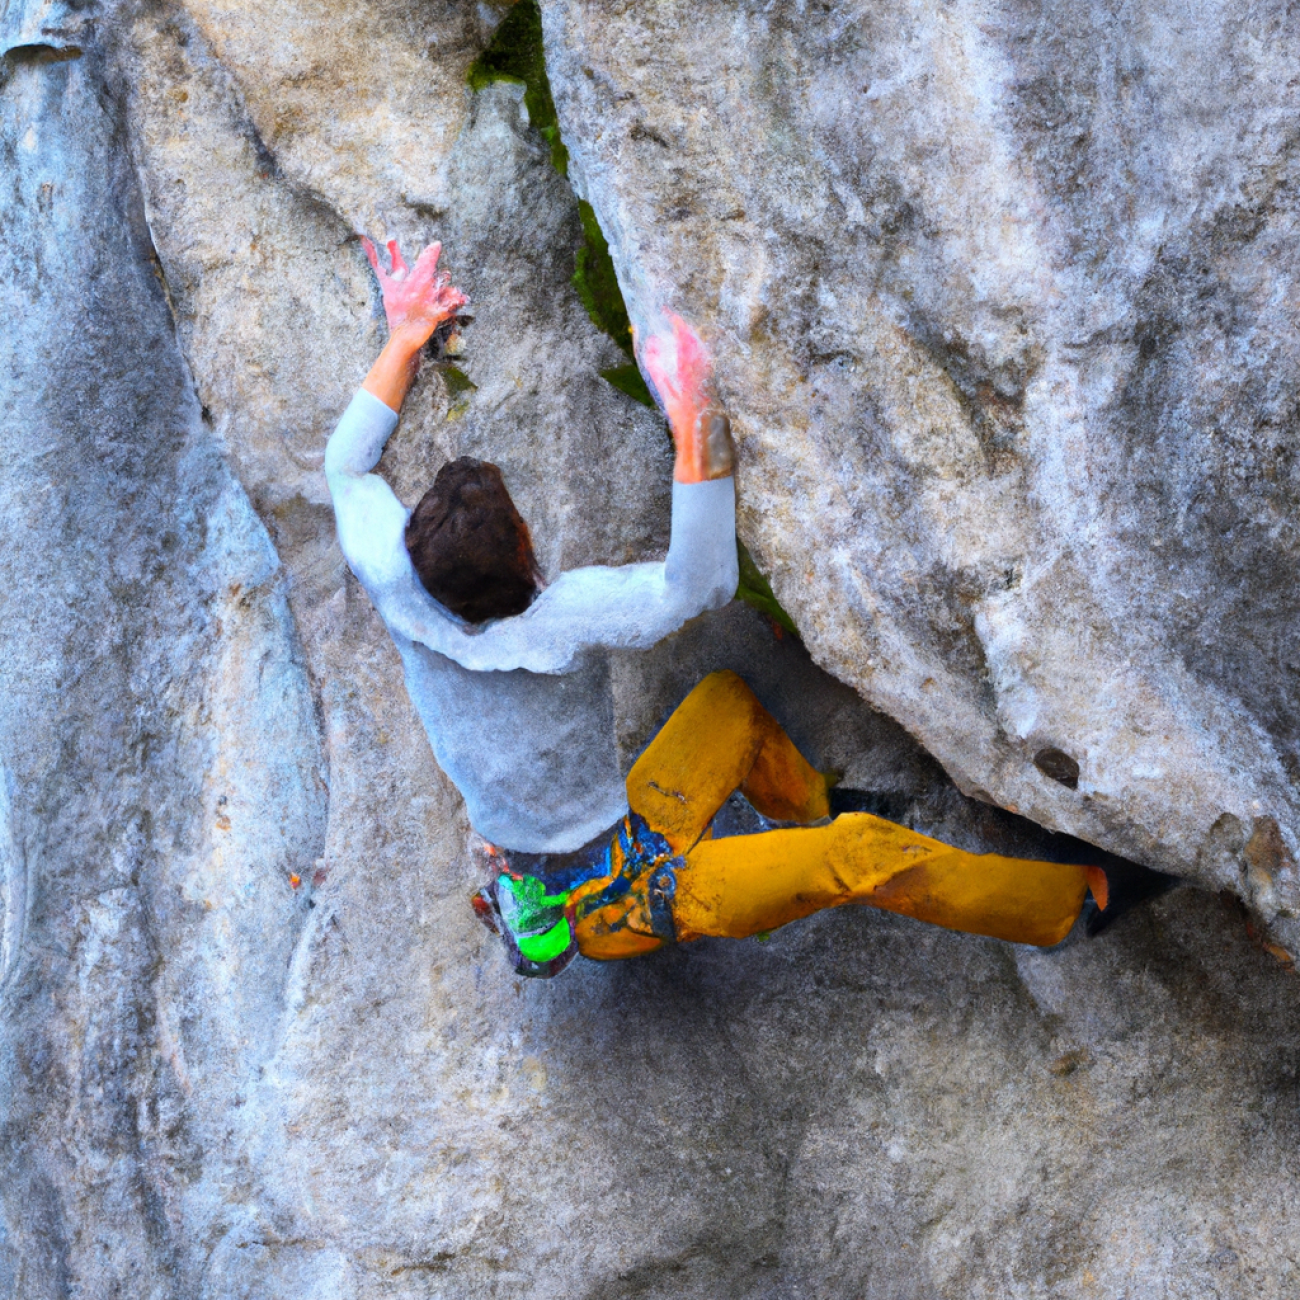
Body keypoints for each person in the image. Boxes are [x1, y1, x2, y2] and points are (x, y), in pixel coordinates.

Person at [327, 237, 1165, 980]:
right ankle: (1076, 904)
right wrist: (698, 427)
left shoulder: (391, 576)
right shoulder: (565, 618)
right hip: (631, 901)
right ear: (525, 552)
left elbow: (346, 469)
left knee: (727, 701)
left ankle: (810, 810)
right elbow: (697, 588)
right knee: (859, 859)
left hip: (581, 847)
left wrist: (404, 336)